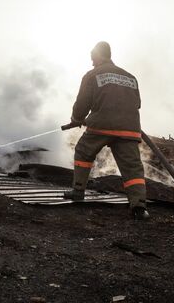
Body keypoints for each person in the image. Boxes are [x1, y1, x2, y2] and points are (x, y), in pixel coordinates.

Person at [63, 41, 149, 220]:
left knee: (83, 152)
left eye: (92, 58)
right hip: (129, 129)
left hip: (101, 125)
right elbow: (138, 103)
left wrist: (77, 120)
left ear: (98, 55)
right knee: (133, 169)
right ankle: (139, 207)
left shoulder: (92, 74)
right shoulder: (130, 77)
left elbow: (82, 105)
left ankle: (78, 192)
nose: (92, 62)